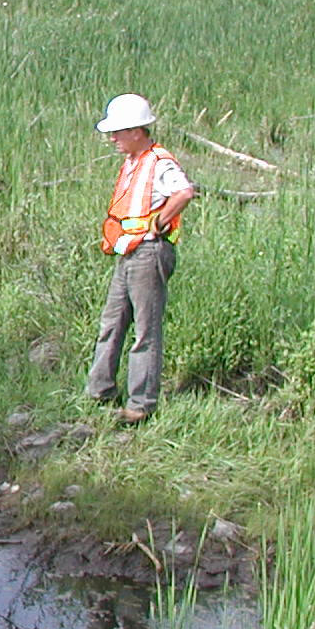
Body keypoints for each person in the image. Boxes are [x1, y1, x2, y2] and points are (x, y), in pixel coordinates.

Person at [85, 93, 195, 423]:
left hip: (149, 253)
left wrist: (157, 225)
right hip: (128, 253)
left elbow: (185, 192)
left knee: (146, 330)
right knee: (112, 322)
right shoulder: (132, 163)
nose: (113, 138)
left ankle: (140, 405)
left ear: (137, 131)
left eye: (118, 132)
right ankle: (100, 391)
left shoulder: (159, 162)